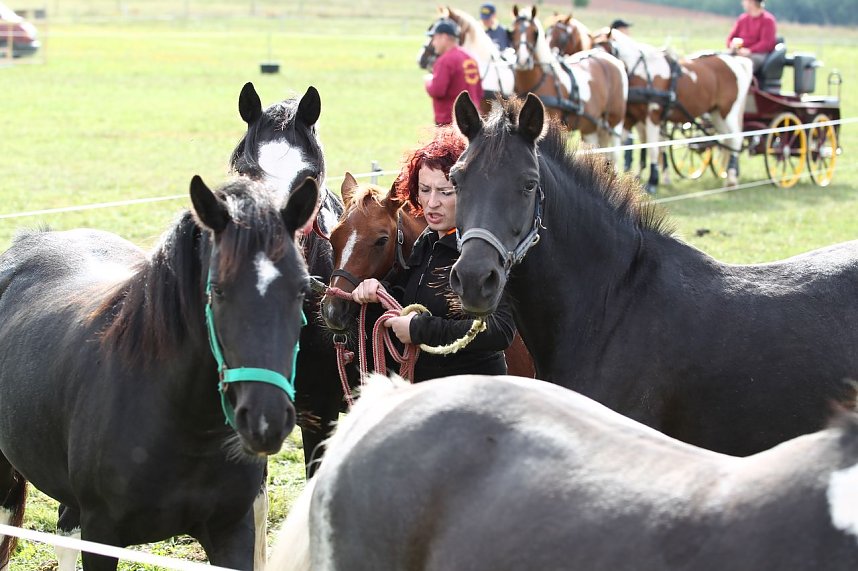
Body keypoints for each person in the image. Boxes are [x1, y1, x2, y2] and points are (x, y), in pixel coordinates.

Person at [351, 126, 516, 382]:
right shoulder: (428, 240)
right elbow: (407, 297)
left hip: (473, 394)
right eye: (424, 189)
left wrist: (420, 329)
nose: (432, 202)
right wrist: (376, 294)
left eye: (445, 192)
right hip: (426, 394)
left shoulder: (485, 250)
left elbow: (499, 330)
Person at [423, 18, 483, 125]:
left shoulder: (445, 60)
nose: (433, 43)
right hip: (473, 122)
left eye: (434, 38)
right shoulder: (470, 57)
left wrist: (428, 81)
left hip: (449, 122)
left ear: (444, 37)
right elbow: (479, 91)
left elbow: (437, 90)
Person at [726, 0, 777, 72]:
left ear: (752, 2)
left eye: (744, 1)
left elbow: (766, 43)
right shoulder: (742, 19)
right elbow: (730, 38)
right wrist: (732, 45)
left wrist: (749, 50)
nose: (742, 3)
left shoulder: (768, 20)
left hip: (757, 54)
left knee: (743, 65)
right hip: (739, 52)